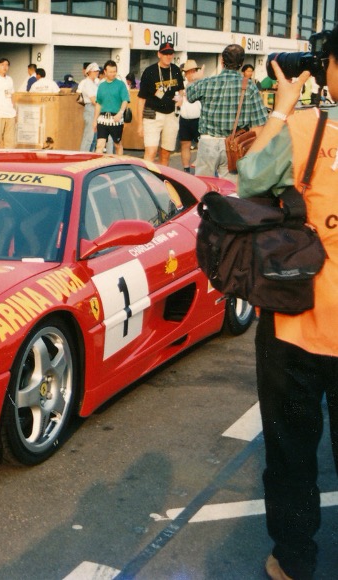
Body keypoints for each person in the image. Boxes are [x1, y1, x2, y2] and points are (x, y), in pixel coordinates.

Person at [236, 27, 338, 580]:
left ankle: (296, 561)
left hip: (297, 323)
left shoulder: (306, 127)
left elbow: (249, 178)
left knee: (293, 452)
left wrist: (282, 109)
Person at [186, 44, 267, 181]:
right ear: (241, 64)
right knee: (230, 192)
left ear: (222, 62)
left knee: (203, 187)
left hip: (207, 143)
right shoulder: (250, 86)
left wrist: (196, 78)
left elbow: (189, 95)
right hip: (234, 145)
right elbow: (260, 123)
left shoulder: (207, 82)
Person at [137, 41, 184, 165]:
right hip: (153, 115)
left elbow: (181, 89)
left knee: (166, 153)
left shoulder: (175, 70)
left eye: (170, 53)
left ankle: (162, 181)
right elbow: (141, 99)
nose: (168, 56)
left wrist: (180, 98)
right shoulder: (149, 71)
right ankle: (146, 181)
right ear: (159, 54)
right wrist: (139, 124)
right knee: (151, 152)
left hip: (171, 115)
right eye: (165, 53)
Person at [93, 60, 130, 155]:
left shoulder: (120, 84)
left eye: (114, 71)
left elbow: (125, 100)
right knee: (100, 145)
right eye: (110, 72)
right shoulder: (101, 86)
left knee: (117, 144)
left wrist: (120, 113)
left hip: (116, 118)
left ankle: (120, 163)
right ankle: (98, 166)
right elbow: (98, 104)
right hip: (103, 118)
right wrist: (95, 120)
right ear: (105, 72)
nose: (113, 74)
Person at [178, 60, 203, 173]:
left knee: (201, 145)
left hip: (198, 119)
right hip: (184, 119)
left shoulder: (200, 84)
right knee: (185, 144)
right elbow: (177, 99)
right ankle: (186, 169)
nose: (191, 74)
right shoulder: (181, 85)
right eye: (189, 72)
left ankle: (201, 169)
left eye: (193, 71)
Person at [77, 62, 101, 152]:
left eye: (97, 71)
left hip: (96, 109)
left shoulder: (95, 83)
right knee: (89, 136)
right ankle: (83, 155)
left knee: (94, 137)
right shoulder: (87, 83)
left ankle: (90, 154)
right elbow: (93, 100)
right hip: (91, 109)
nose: (97, 73)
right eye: (95, 71)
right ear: (89, 72)